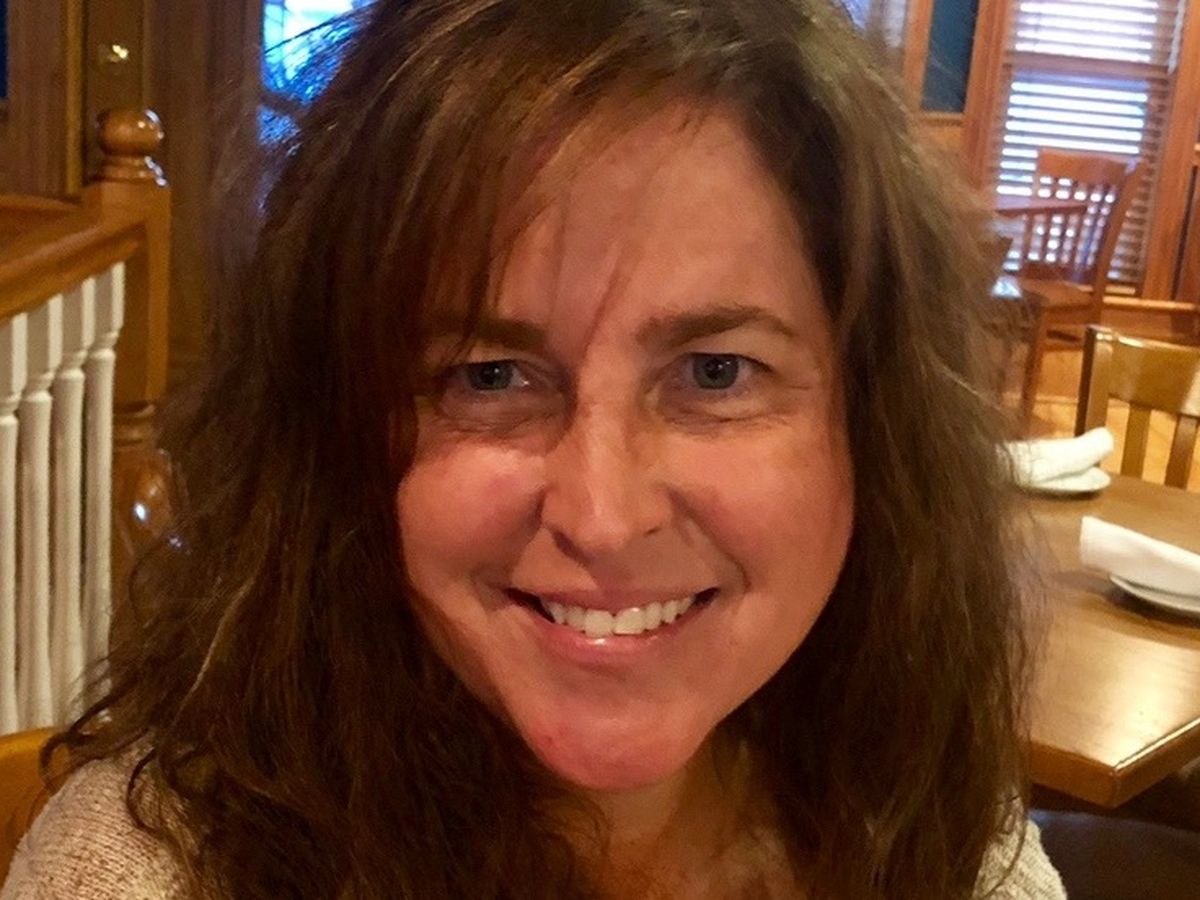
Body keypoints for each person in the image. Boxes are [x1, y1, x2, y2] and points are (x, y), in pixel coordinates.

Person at [2, 1, 1066, 897]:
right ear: (334, 433)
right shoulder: (150, 873)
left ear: (875, 424)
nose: (603, 517)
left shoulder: (955, 852)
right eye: (490, 377)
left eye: (715, 372)